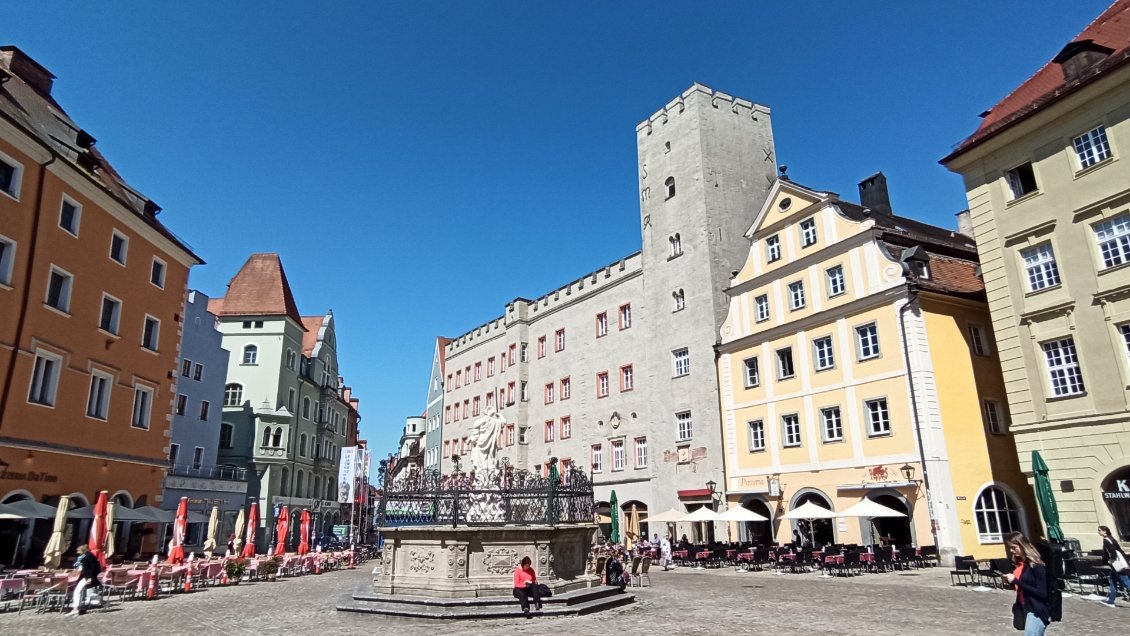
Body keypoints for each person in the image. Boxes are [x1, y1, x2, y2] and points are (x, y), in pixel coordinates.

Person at [1003, 532, 1051, 636]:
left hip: (1037, 610)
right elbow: (1023, 588)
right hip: (1026, 607)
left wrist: (1016, 581)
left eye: (1014, 547)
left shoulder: (1037, 566)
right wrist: (1010, 583)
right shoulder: (1023, 565)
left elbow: (1042, 593)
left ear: (1022, 545)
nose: (1011, 550)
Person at [1099, 525, 1130, 607]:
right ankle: (1110, 600)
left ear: (1105, 531)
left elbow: (1113, 552)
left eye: (1099, 530)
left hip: (1116, 563)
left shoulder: (1106, 540)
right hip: (1118, 562)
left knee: (1126, 581)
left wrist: (1110, 560)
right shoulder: (1111, 538)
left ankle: (1110, 601)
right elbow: (1119, 549)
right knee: (1113, 581)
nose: (1098, 532)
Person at [66, 545, 102, 617]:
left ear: (82, 550)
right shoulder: (87, 556)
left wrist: (90, 577)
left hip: (87, 577)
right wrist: (73, 573)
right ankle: (77, 608)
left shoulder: (88, 556)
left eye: (78, 551)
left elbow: (91, 567)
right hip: (86, 577)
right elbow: (82, 568)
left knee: (77, 591)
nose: (77, 552)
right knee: (81, 592)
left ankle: (76, 609)